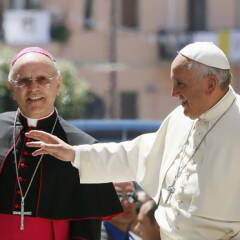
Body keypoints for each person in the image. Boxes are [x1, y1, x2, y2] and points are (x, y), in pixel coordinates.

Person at [26, 41, 240, 239]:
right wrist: (75, 154)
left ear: (211, 84)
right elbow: (134, 155)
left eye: (181, 84)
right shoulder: (180, 118)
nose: (174, 93)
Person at [0, 47, 122, 240]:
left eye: (42, 79)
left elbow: (87, 227)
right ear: (12, 88)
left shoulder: (83, 147)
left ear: (58, 85)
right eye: (23, 81)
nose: (34, 88)